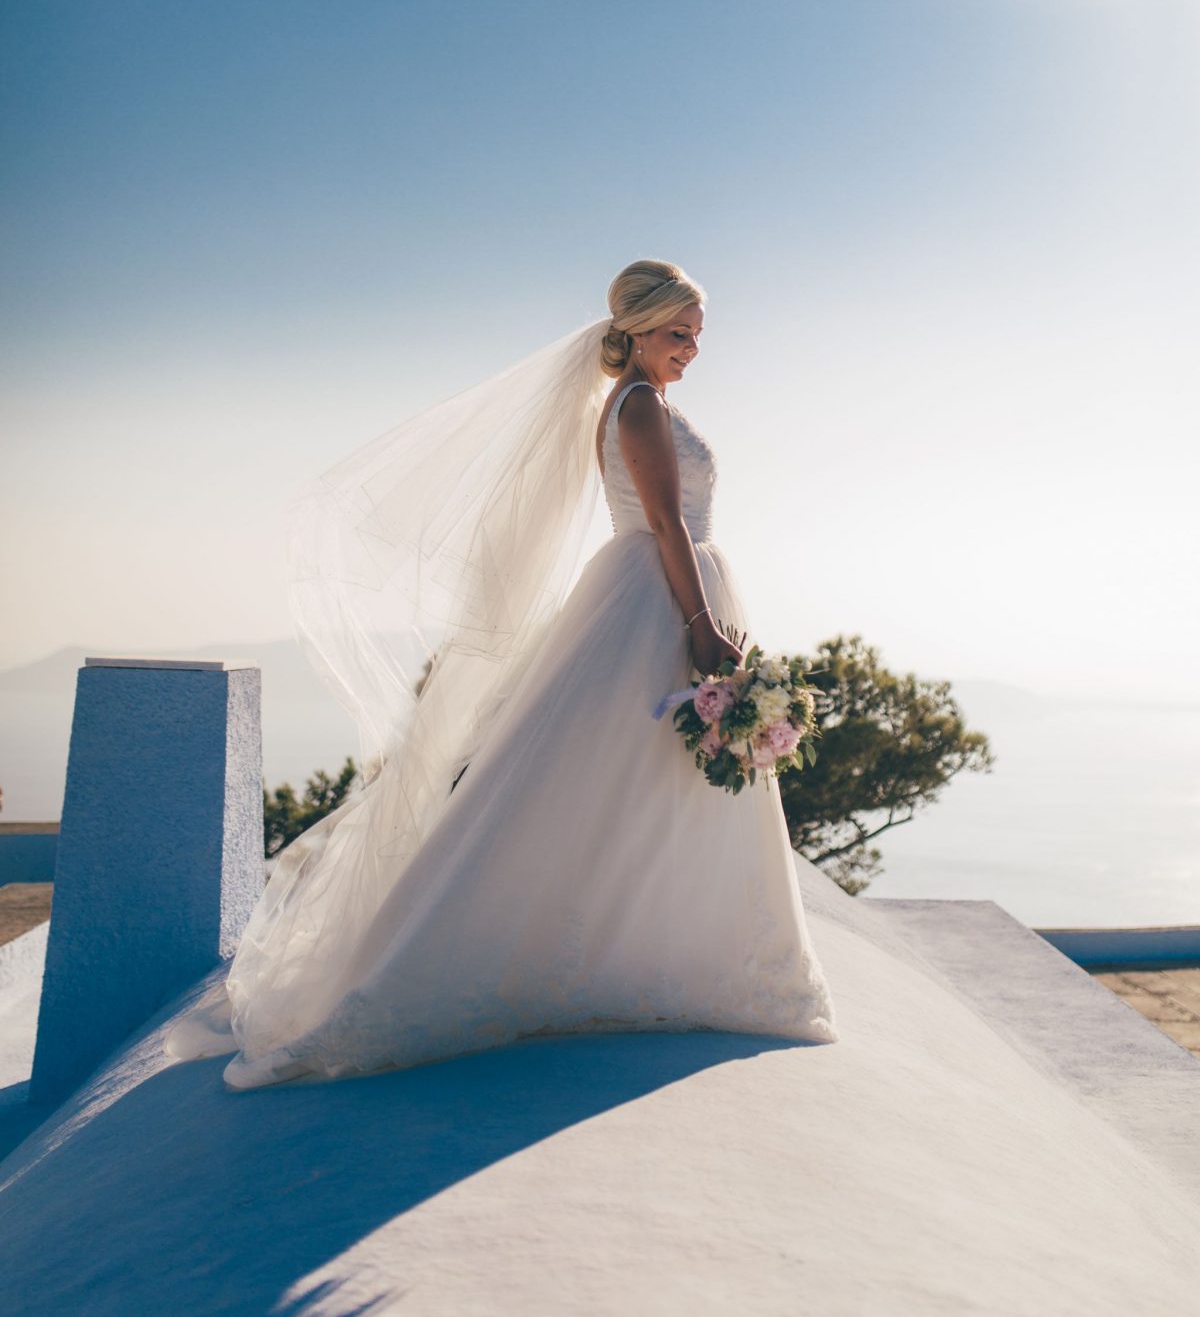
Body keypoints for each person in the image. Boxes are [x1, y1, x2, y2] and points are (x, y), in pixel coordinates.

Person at [164, 259, 838, 1087]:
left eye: (697, 335)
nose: (691, 348)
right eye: (677, 333)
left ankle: (665, 942)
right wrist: (700, 627)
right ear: (636, 330)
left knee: (647, 776)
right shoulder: (637, 405)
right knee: (599, 775)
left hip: (659, 591)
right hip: (660, 600)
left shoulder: (641, 400)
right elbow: (664, 521)